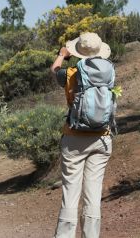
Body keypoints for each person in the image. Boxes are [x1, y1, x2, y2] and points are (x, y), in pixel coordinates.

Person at [50, 32, 115, 238]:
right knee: (93, 195)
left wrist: (62, 54)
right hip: (102, 138)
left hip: (74, 138)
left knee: (71, 193)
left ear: (79, 52)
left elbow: (54, 70)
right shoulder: (110, 73)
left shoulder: (71, 73)